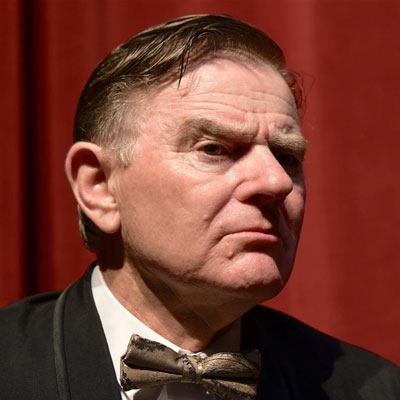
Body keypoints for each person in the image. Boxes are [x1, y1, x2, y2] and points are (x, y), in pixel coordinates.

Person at [0, 14, 399, 400]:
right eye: (215, 149)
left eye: (287, 156)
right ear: (100, 186)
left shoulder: (373, 389)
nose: (276, 182)